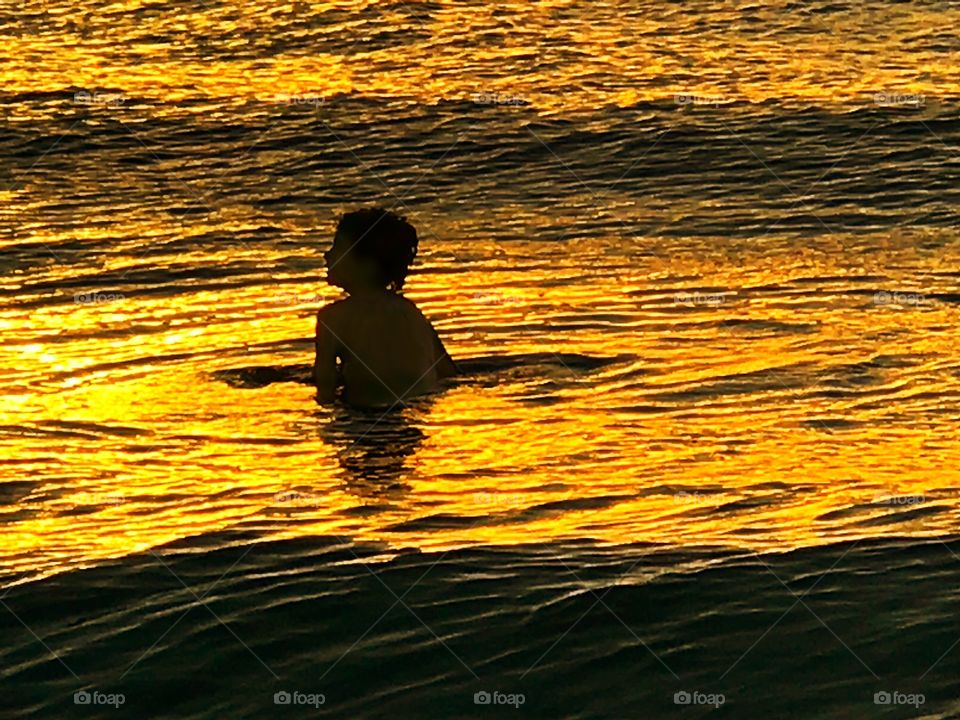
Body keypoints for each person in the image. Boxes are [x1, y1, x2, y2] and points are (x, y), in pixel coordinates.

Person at [314, 207, 457, 407]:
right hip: (417, 407)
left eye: (337, 249)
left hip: (363, 413)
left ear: (367, 265)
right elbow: (448, 373)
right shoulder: (411, 312)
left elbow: (324, 387)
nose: (326, 255)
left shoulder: (332, 317)